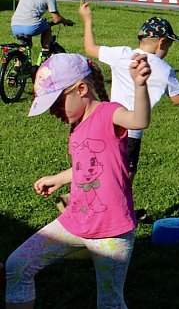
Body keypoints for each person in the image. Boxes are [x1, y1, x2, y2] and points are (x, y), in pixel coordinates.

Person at [4, 52, 152, 309]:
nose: (53, 112)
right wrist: (59, 179)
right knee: (17, 266)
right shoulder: (77, 125)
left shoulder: (109, 113)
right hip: (73, 221)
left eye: (56, 103)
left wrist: (140, 86)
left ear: (81, 89)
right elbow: (88, 166)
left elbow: (139, 120)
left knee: (109, 302)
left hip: (111, 231)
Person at [80, 5, 179, 186]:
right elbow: (178, 99)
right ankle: (120, 209)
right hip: (132, 130)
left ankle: (80, 198)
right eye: (169, 44)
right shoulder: (164, 69)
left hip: (109, 122)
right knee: (126, 173)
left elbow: (90, 48)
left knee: (103, 165)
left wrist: (87, 19)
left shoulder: (121, 54)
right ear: (161, 42)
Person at [10, 0, 74, 60]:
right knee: (47, 27)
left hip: (15, 25)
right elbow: (56, 18)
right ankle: (45, 52)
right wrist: (66, 21)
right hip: (32, 26)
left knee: (25, 46)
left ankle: (18, 67)